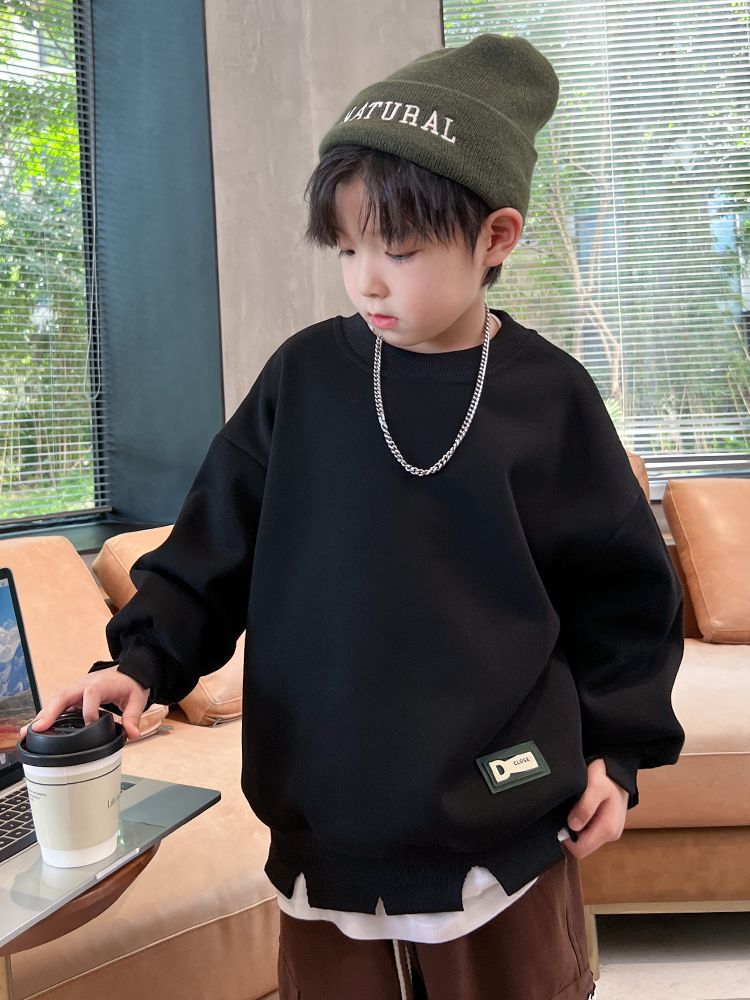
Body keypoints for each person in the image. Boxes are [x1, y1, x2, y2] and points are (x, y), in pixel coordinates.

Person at [22, 33, 686, 1000]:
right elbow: (212, 547)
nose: (366, 278)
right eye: (345, 248)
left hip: (504, 817)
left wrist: (617, 753)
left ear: (496, 238)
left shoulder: (551, 398)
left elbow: (623, 597)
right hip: (324, 819)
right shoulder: (304, 379)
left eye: (400, 251)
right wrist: (141, 664)